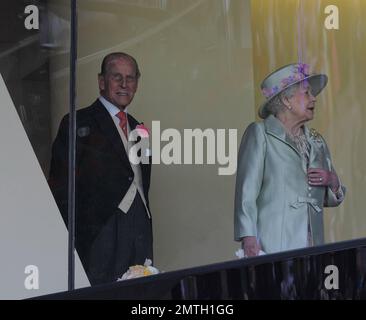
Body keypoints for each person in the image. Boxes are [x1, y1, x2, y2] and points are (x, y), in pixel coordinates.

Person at [49, 52, 153, 285]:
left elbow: (141, 184)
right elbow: (61, 187)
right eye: (117, 77)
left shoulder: (140, 129)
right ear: (101, 81)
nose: (125, 84)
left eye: (131, 78)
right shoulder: (77, 122)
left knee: (142, 294)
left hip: (139, 227)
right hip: (98, 233)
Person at [234, 63, 345, 257]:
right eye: (307, 93)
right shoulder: (261, 134)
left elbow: (328, 197)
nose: (314, 98)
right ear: (287, 100)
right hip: (273, 245)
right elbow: (246, 192)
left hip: (313, 246)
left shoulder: (317, 142)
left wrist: (333, 182)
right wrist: (248, 238)